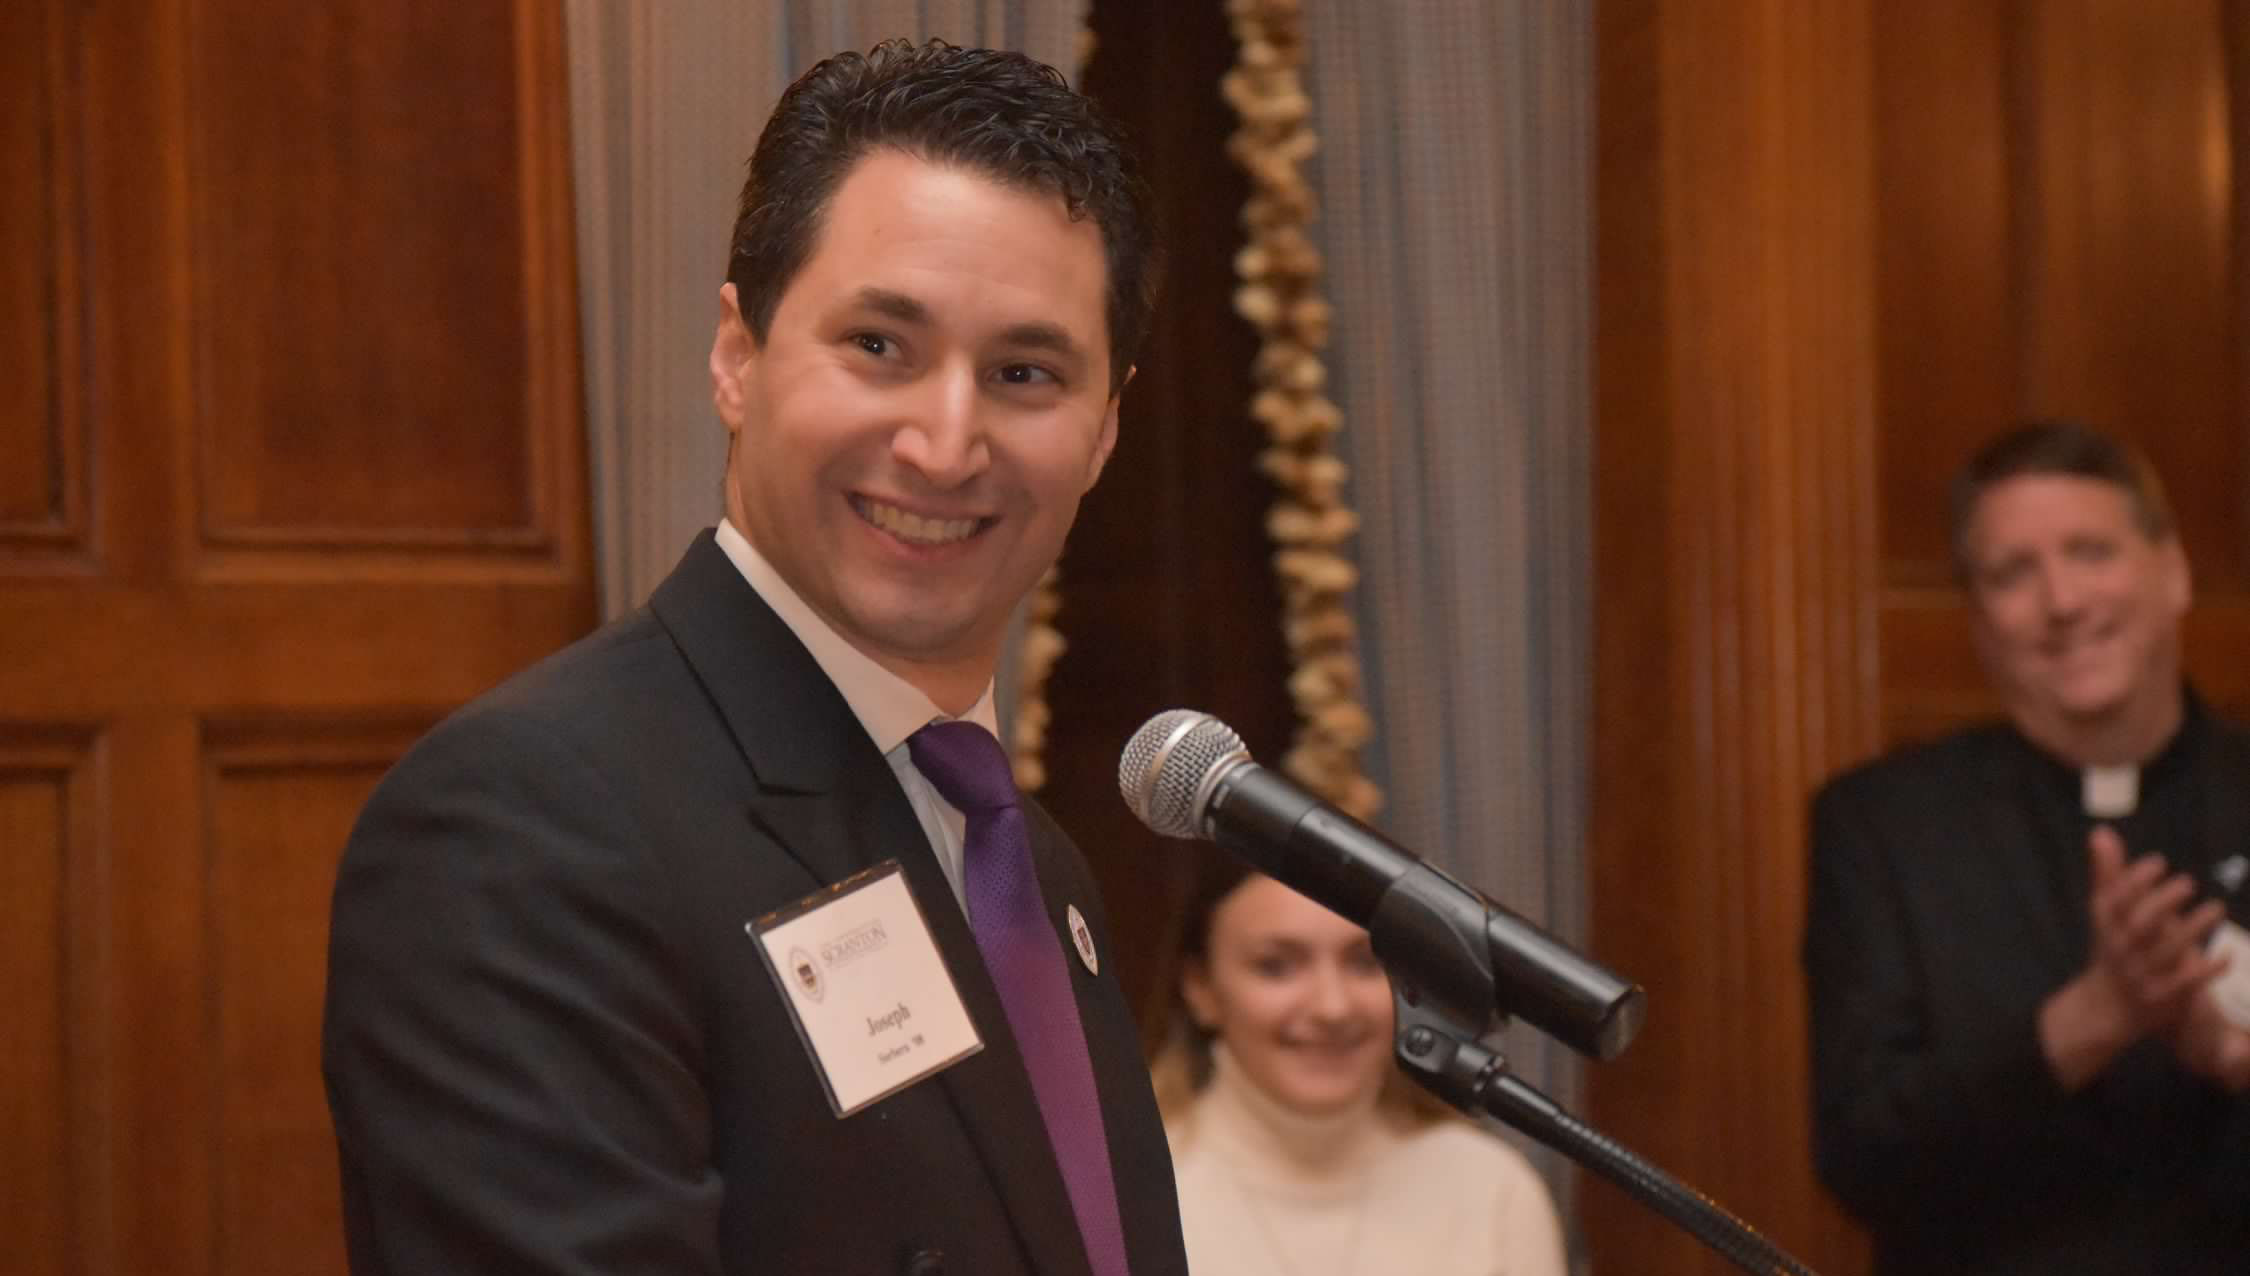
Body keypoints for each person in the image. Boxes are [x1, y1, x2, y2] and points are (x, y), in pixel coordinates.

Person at [322, 39, 1186, 1276]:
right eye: (881, 345)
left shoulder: (1034, 870)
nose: (947, 442)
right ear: (738, 356)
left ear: (1103, 432)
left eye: (1024, 373)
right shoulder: (527, 824)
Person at [1803, 421, 2250, 1275]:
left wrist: (2238, 1061)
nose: (2062, 601)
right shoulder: (1884, 828)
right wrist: (2086, 1023)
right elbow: (1861, 1159)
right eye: (2013, 573)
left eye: (2091, 551)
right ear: (1978, 621)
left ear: (2175, 571)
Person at [1151, 861, 1569, 1276]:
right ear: (1199, 986)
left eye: (1364, 963)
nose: (1333, 1007)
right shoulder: (1137, 1194)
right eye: (1276, 966)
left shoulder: (1492, 1190)